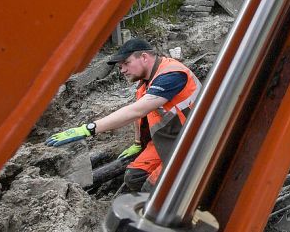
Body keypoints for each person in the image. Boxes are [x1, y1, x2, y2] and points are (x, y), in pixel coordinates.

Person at [46, 38, 201, 192]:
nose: (122, 70)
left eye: (126, 63)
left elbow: (136, 111)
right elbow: (142, 116)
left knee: (153, 188)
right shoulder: (146, 82)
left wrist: (88, 129)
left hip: (193, 142)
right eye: (120, 67)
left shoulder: (171, 75)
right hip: (171, 138)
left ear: (144, 57)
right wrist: (137, 143)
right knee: (134, 177)